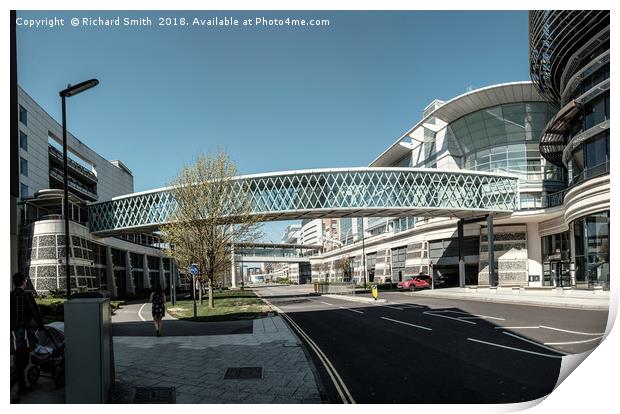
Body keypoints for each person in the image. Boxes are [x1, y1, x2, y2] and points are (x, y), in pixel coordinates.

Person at [10, 272, 44, 396]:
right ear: (24, 282)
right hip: (23, 332)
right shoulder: (27, 296)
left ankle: (20, 384)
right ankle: (17, 385)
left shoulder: (10, 296)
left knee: (17, 357)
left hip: (12, 332)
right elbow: (35, 311)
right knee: (23, 361)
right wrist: (41, 324)